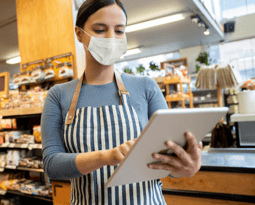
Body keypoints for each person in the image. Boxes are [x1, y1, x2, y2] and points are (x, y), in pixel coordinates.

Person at [41, 0, 203, 204]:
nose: (111, 38)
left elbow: (167, 162)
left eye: (119, 31)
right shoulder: (58, 95)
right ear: (79, 33)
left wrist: (186, 167)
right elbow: (52, 165)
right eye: (100, 30)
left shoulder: (146, 87)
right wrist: (107, 157)